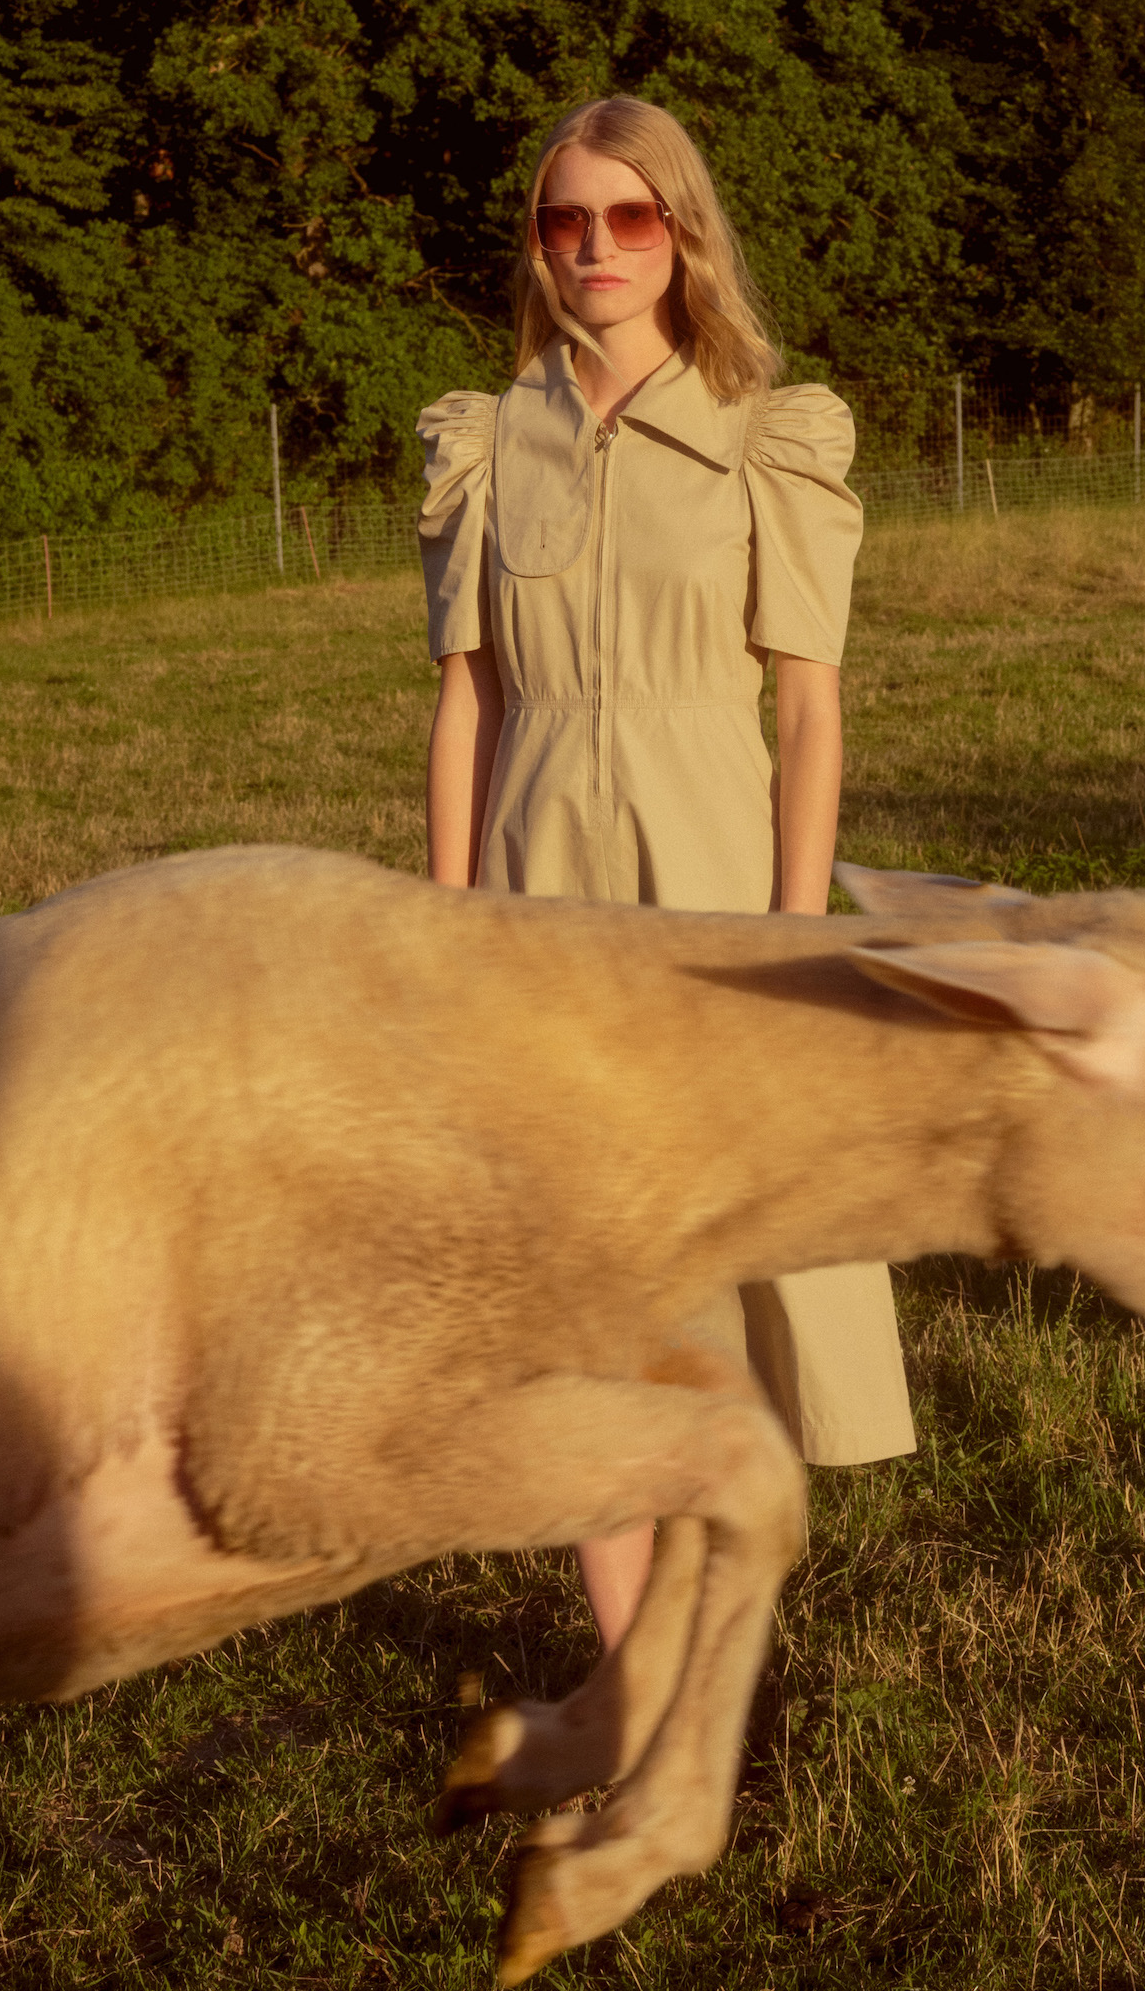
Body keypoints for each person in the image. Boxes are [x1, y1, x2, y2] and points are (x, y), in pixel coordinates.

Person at [416, 95, 915, 1651]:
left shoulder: (771, 434)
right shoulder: (486, 441)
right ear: (537, 242)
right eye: (565, 218)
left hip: (714, 899)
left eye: (631, 216)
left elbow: (808, 710)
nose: (597, 247)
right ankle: (639, 1668)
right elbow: (470, 706)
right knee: (583, 1285)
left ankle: (721, 1623)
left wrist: (793, 936)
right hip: (536, 902)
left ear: (683, 232)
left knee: (730, 1269)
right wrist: (447, 935)